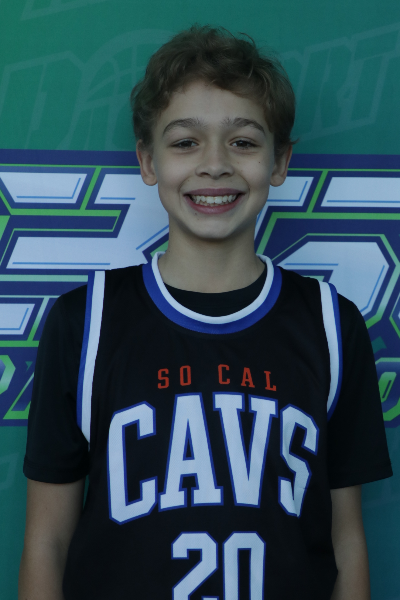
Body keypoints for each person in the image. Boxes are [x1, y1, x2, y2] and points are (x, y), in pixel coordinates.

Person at [19, 25, 392, 600]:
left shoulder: (330, 324)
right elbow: (47, 541)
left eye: (242, 142)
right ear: (147, 160)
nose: (214, 165)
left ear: (280, 161)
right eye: (185, 142)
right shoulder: (85, 322)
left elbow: (346, 541)